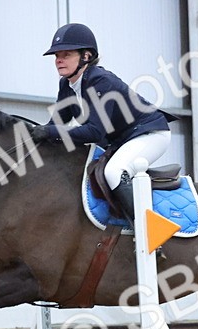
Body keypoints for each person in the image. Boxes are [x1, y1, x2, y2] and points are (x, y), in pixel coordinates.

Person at [31, 23, 173, 226]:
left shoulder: (101, 81)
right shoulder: (67, 84)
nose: (59, 60)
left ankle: (151, 233)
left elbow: (95, 132)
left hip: (149, 133)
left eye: (66, 54)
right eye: (56, 55)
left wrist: (48, 131)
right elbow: (56, 125)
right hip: (123, 139)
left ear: (86, 56)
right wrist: (33, 135)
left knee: (114, 172)